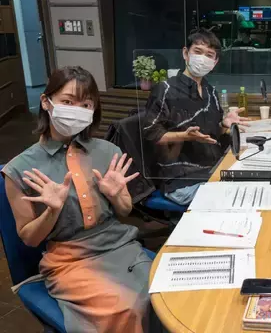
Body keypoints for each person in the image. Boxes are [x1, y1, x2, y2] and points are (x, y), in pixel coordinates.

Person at [1, 66, 155, 332]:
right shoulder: (20, 168)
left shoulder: (108, 150)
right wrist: (52, 211)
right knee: (126, 308)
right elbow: (29, 238)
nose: (77, 110)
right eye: (68, 101)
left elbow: (125, 210)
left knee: (162, 296)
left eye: (85, 105)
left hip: (121, 246)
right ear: (46, 102)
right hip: (69, 261)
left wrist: (116, 196)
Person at [143, 29, 249, 205]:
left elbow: (211, 134)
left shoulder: (210, 91)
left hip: (211, 169)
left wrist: (224, 124)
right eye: (198, 52)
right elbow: (151, 135)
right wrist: (184, 136)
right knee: (237, 200)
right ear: (186, 53)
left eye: (209, 55)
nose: (202, 59)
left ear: (214, 62)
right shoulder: (165, 89)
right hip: (182, 180)